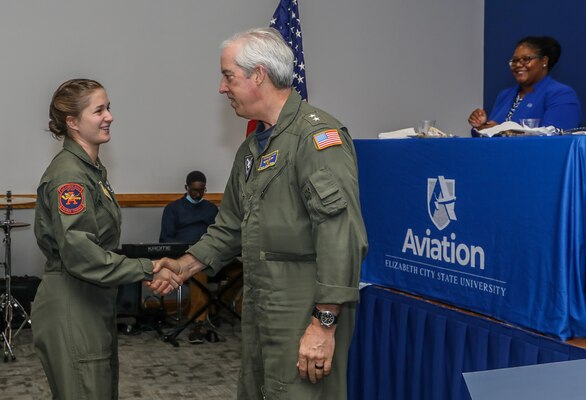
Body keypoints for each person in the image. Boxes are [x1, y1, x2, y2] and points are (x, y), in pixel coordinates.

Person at [150, 27, 368, 399]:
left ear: (258, 75)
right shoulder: (252, 149)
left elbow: (340, 233)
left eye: (228, 76)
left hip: (305, 307)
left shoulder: (316, 139)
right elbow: (230, 226)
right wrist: (183, 267)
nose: (222, 88)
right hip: (260, 306)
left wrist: (324, 322)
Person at [31, 78, 181, 400]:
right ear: (72, 122)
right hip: (73, 301)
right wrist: (148, 267)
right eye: (98, 110)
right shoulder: (70, 175)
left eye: (108, 107)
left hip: (92, 300)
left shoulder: (92, 171)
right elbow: (80, 253)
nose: (109, 116)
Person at [468, 36, 581, 135]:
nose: (518, 64)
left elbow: (553, 139)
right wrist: (481, 126)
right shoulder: (505, 95)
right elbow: (491, 134)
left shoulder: (561, 94)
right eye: (514, 60)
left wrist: (500, 130)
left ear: (544, 61)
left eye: (526, 59)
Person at [159, 170, 219, 344]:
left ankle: (220, 308)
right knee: (199, 272)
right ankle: (198, 324)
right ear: (186, 188)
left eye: (202, 190)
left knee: (242, 269)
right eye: (194, 190)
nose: (198, 194)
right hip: (186, 259)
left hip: (211, 256)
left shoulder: (211, 209)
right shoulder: (173, 209)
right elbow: (165, 239)